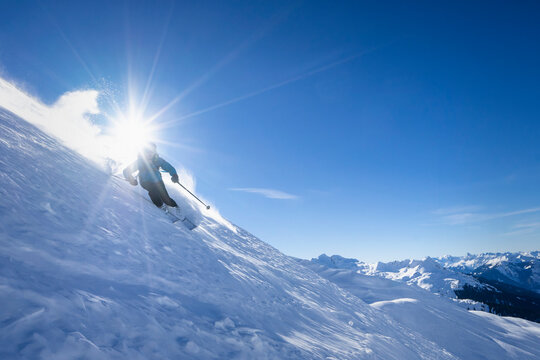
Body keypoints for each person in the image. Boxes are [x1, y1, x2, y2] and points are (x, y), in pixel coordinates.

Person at [123, 143, 180, 209]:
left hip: (158, 181)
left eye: (151, 152)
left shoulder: (157, 160)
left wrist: (174, 175)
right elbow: (126, 171)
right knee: (154, 191)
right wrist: (131, 179)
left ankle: (176, 208)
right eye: (147, 152)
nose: (149, 154)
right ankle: (160, 206)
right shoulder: (140, 161)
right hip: (145, 181)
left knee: (166, 198)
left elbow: (168, 167)